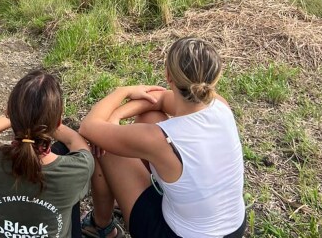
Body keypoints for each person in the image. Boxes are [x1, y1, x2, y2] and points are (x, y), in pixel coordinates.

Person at [79, 37, 246, 238]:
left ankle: (101, 226)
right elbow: (156, 101)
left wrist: (122, 91)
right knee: (149, 117)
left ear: (168, 76)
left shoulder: (158, 139)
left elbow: (89, 127)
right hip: (234, 228)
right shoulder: (220, 104)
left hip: (175, 235)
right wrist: (117, 115)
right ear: (214, 79)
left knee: (106, 147)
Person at [0, 70, 94, 238]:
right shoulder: (80, 168)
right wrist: (45, 124)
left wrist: (15, 118)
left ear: (10, 113)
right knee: (65, 153)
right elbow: (75, 142)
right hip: (65, 176)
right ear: (58, 122)